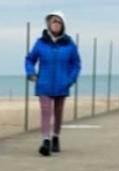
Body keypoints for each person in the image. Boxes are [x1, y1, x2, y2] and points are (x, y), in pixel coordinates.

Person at [24, 11, 81, 156]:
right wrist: (31, 73)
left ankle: (55, 137)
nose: (55, 24)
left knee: (58, 113)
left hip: (62, 84)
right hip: (44, 83)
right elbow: (30, 59)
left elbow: (76, 64)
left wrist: (70, 79)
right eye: (53, 21)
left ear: (63, 25)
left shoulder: (69, 44)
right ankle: (45, 141)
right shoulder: (40, 42)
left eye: (58, 22)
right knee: (46, 112)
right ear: (49, 24)